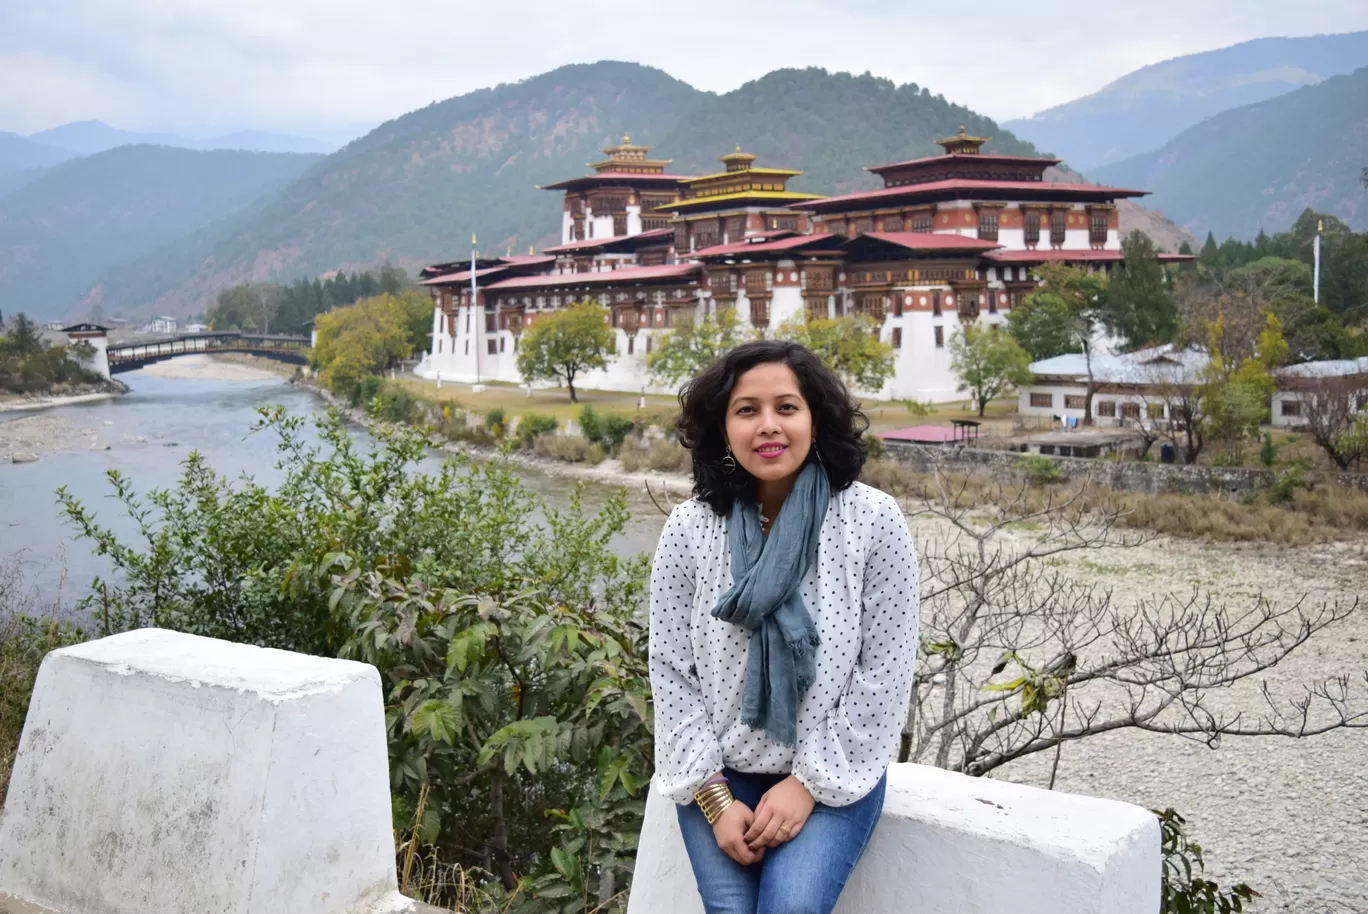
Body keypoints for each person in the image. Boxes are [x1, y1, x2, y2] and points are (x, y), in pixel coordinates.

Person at [649, 339, 920, 914]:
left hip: (833, 775)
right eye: (746, 410)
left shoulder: (873, 523)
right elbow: (671, 670)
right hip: (717, 774)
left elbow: (886, 672)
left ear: (816, 420)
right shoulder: (690, 529)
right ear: (722, 428)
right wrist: (713, 795)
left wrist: (807, 784)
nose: (768, 426)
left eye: (787, 408)